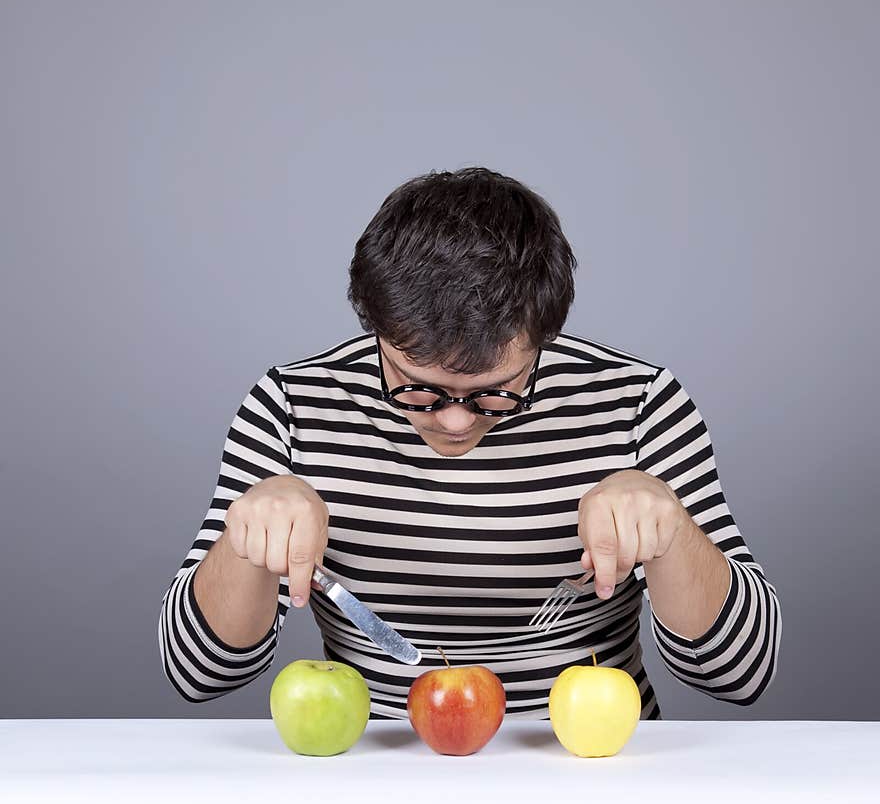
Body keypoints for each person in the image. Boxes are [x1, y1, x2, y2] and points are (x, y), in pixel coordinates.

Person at [158, 166, 782, 719]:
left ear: (545, 337)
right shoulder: (292, 405)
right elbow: (199, 673)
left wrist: (669, 531)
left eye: (494, 391)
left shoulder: (638, 403)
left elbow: (739, 675)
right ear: (376, 330)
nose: (455, 424)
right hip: (366, 773)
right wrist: (251, 535)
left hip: (592, 778)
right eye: (419, 389)